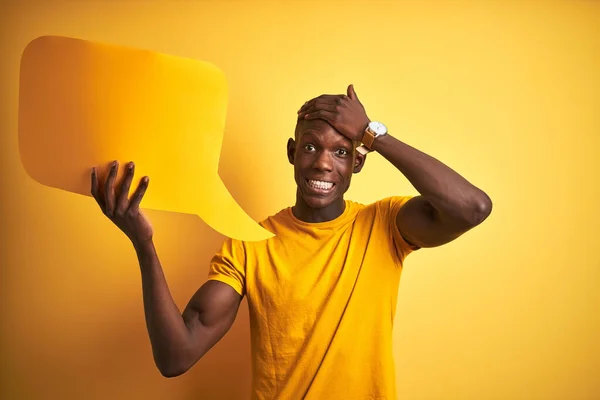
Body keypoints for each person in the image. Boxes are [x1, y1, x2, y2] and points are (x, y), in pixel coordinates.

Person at [90, 84, 492, 399]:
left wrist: (373, 134)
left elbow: (472, 207)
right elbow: (176, 356)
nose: (322, 162)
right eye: (311, 146)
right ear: (292, 152)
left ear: (358, 162)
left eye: (340, 151)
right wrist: (143, 244)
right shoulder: (250, 244)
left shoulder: (384, 225)